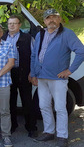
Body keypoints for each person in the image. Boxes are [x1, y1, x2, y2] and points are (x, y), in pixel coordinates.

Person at [31, 9, 84, 147]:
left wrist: (70, 70)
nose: (51, 20)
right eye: (48, 18)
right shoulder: (40, 34)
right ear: (44, 21)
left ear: (59, 19)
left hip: (58, 78)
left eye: (54, 17)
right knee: (43, 106)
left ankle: (62, 136)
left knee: (60, 107)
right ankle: (49, 132)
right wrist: (33, 73)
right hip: (41, 77)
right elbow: (34, 55)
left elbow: (81, 51)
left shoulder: (67, 34)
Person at [2, 15, 37, 138]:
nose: (11, 25)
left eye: (14, 23)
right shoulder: (3, 37)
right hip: (8, 74)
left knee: (27, 101)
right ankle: (13, 125)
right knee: (10, 102)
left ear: (19, 25)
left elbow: (34, 56)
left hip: (24, 73)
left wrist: (32, 73)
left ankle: (31, 127)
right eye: (10, 23)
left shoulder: (27, 38)